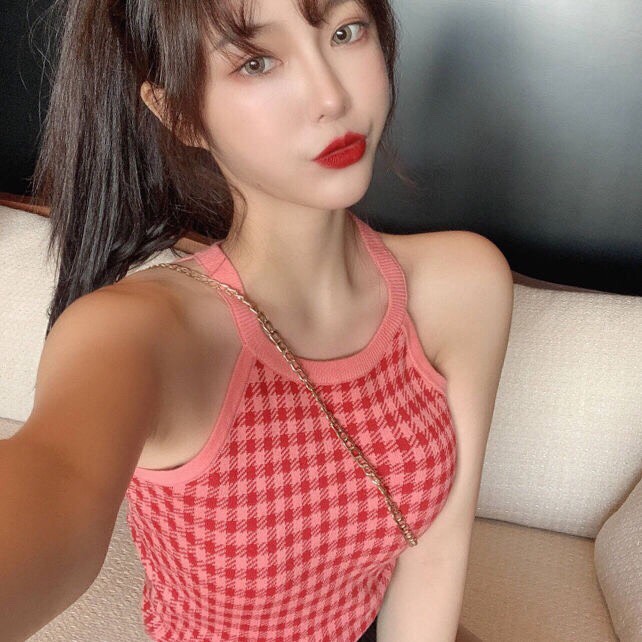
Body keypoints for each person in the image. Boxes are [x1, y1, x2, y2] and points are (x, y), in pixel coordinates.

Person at [1, 0, 512, 640]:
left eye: (345, 31)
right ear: (179, 113)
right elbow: (54, 480)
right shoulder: (143, 332)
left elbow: (435, 558)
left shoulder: (461, 284)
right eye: (255, 63)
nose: (331, 97)